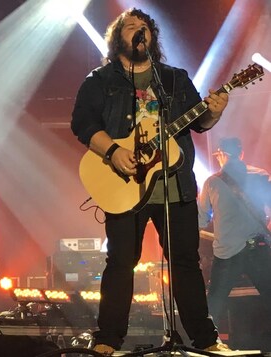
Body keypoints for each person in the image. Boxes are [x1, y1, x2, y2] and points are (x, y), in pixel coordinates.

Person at [70, 8, 230, 354]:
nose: (138, 31)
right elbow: (82, 124)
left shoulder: (174, 78)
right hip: (124, 186)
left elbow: (199, 123)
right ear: (118, 38)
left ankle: (206, 340)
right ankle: (108, 339)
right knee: (120, 262)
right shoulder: (100, 80)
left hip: (174, 188)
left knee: (186, 262)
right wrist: (113, 152)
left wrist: (214, 111)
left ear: (152, 38)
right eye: (130, 27)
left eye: (144, 27)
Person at [198, 137, 271, 332]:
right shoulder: (261, 175)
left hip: (228, 252)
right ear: (241, 154)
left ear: (221, 154)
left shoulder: (212, 182)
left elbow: (200, 219)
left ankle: (208, 342)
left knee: (214, 303)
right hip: (258, 246)